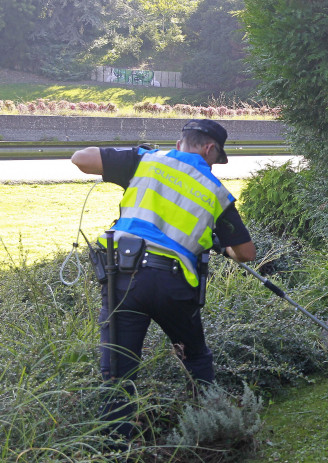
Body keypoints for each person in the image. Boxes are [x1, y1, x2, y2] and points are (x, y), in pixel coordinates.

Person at [71, 119, 256, 440]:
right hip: (174, 286)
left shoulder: (147, 160)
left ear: (180, 140)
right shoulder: (215, 190)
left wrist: (133, 156)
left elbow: (80, 158)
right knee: (195, 357)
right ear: (209, 148)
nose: (214, 165)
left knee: (118, 375)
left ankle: (116, 450)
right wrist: (217, 244)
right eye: (216, 159)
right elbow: (247, 253)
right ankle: (214, 431)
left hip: (123, 280)